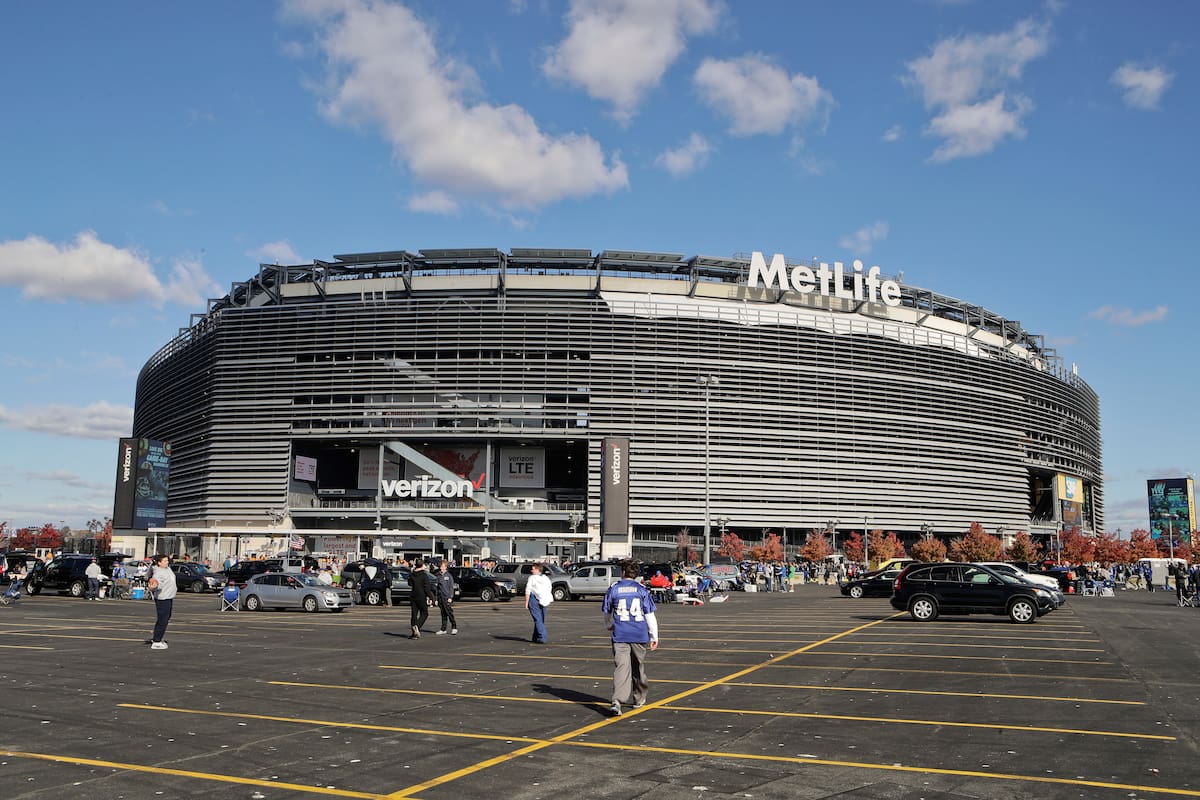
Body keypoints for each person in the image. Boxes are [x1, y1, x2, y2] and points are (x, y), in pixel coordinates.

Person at [602, 561, 660, 716]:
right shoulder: (641, 590)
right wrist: (654, 635)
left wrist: (608, 624)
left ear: (623, 572)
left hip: (620, 633)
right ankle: (636, 697)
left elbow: (607, 611)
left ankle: (618, 700)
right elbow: (649, 615)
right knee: (637, 667)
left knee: (622, 667)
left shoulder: (614, 589)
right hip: (639, 635)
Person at [147, 554, 177, 650]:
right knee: (162, 620)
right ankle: (156, 641)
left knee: (166, 618)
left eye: (167, 560)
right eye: (164, 561)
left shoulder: (167, 569)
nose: (167, 562)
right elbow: (157, 585)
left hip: (169, 597)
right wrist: (154, 586)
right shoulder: (158, 573)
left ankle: (157, 637)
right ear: (159, 563)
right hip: (162, 598)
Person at [408, 557, 436, 639]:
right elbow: (427, 588)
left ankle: (414, 633)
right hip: (421, 596)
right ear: (422, 565)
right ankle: (417, 626)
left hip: (413, 595)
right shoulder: (424, 575)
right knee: (424, 613)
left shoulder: (412, 574)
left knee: (414, 614)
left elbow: (409, 583)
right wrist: (432, 598)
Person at [525, 562, 553, 644]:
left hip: (534, 599)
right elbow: (549, 588)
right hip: (544, 600)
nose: (531, 570)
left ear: (537, 570)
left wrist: (526, 602)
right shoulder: (546, 578)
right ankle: (535, 637)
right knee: (540, 619)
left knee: (538, 619)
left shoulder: (532, 578)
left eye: (533, 569)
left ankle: (543, 637)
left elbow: (528, 590)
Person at [434, 560, 458, 635]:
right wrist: (436, 599)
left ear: (446, 567)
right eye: (441, 566)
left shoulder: (449, 576)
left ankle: (454, 627)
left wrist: (450, 597)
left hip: (447, 597)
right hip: (440, 597)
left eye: (443, 566)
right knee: (443, 613)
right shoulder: (438, 575)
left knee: (449, 612)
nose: (441, 568)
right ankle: (443, 629)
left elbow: (451, 587)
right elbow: (437, 588)